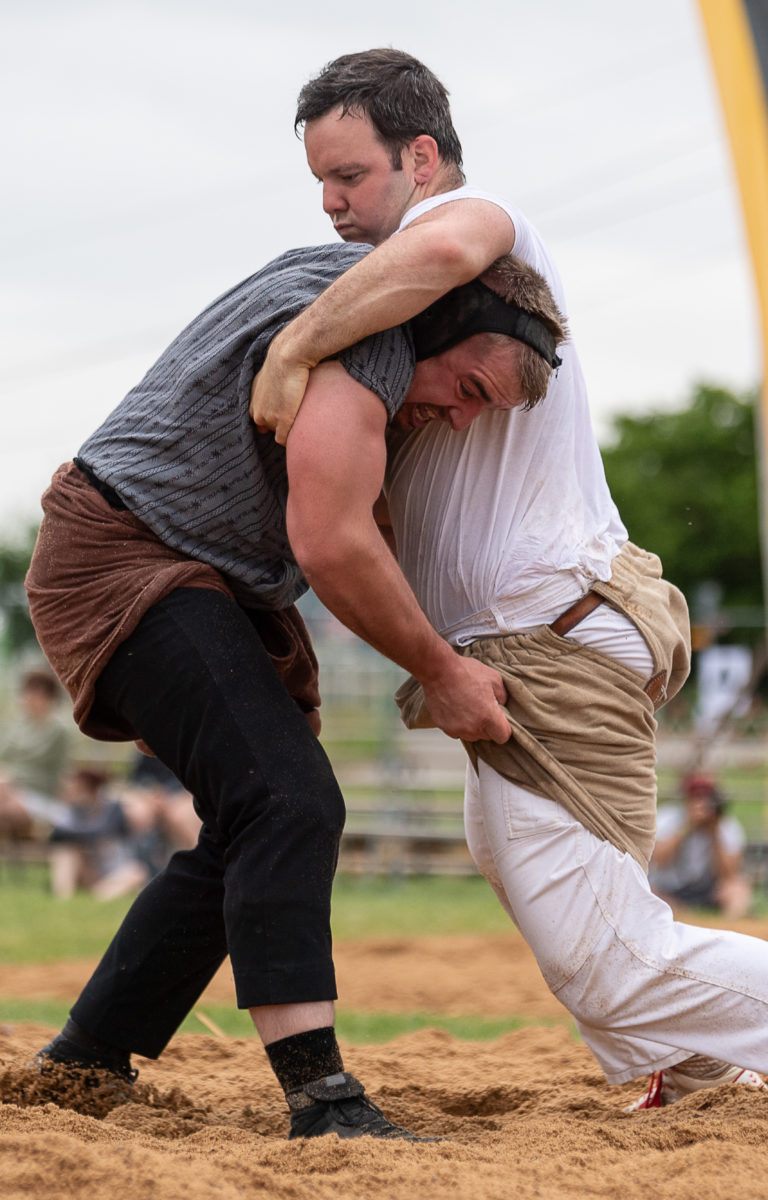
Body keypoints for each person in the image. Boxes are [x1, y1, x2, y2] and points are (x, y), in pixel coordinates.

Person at [250, 48, 768, 1111]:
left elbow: (454, 240)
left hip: (556, 630)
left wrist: (291, 349)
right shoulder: (405, 316)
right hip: (546, 629)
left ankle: (699, 1059)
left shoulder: (476, 226)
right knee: (537, 879)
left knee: (612, 956)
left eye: (349, 174)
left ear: (421, 158)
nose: (332, 202)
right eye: (320, 181)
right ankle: (704, 1077)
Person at [23, 229, 564, 1138]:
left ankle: (86, 1055)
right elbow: (333, 544)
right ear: (441, 319)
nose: (460, 418)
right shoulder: (375, 336)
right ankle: (322, 1100)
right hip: (127, 555)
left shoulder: (348, 302)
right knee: (287, 801)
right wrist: (441, 670)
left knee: (255, 819)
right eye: (470, 389)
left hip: (199, 575)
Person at [650, 772, 751, 918]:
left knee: (738, 889)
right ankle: (686, 915)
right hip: (669, 889)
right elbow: (659, 861)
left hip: (707, 890)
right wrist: (688, 825)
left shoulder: (725, 825)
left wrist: (714, 832)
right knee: (650, 892)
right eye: (696, 797)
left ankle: (728, 925)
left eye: (706, 797)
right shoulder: (668, 817)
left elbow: (729, 875)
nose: (701, 803)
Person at [49, 768, 148, 901]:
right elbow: (56, 835)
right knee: (66, 851)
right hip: (92, 871)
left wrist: (77, 833)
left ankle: (97, 897)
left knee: (137, 872)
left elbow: (104, 831)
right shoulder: (72, 810)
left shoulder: (113, 808)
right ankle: (63, 897)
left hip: (117, 871)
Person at [0, 668, 71, 840]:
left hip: (38, 796)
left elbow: (50, 774)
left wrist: (11, 781)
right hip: (7, 792)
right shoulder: (15, 728)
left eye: (37, 693)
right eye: (28, 692)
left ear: (50, 698)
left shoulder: (58, 732)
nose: (30, 698)